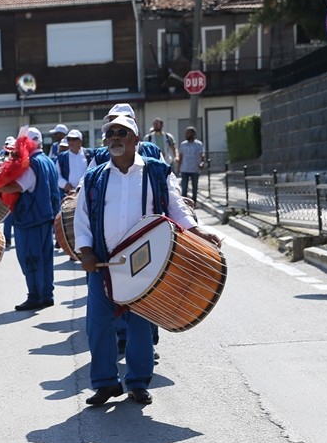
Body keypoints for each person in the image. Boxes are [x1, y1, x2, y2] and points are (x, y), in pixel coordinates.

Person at [73, 115, 222, 407]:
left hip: (145, 263)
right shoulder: (94, 176)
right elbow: (83, 217)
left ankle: (138, 382)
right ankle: (105, 383)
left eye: (122, 132)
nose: (115, 137)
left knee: (140, 322)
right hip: (104, 263)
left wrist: (197, 231)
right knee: (97, 324)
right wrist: (86, 250)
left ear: (136, 140)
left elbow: (175, 206)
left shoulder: (156, 171)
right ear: (105, 142)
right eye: (110, 133)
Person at [0, 127, 62, 312]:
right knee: (46, 259)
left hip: (30, 219)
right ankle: (47, 294)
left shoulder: (31, 163)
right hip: (45, 217)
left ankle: (35, 296)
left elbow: (18, 186)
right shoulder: (47, 161)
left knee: (30, 259)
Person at [56, 128, 93, 195]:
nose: (70, 142)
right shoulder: (62, 157)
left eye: (73, 139)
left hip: (86, 192)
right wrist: (64, 184)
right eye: (69, 139)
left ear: (80, 141)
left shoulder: (89, 154)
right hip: (69, 194)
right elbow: (57, 175)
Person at [176, 126, 206, 199]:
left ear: (193, 134)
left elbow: (202, 155)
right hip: (184, 169)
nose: (186, 134)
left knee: (194, 187)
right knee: (184, 188)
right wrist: (178, 168)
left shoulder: (199, 144)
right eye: (186, 133)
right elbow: (181, 156)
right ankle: (184, 203)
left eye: (188, 133)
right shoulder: (183, 144)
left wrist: (202, 163)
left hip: (194, 169)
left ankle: (194, 202)